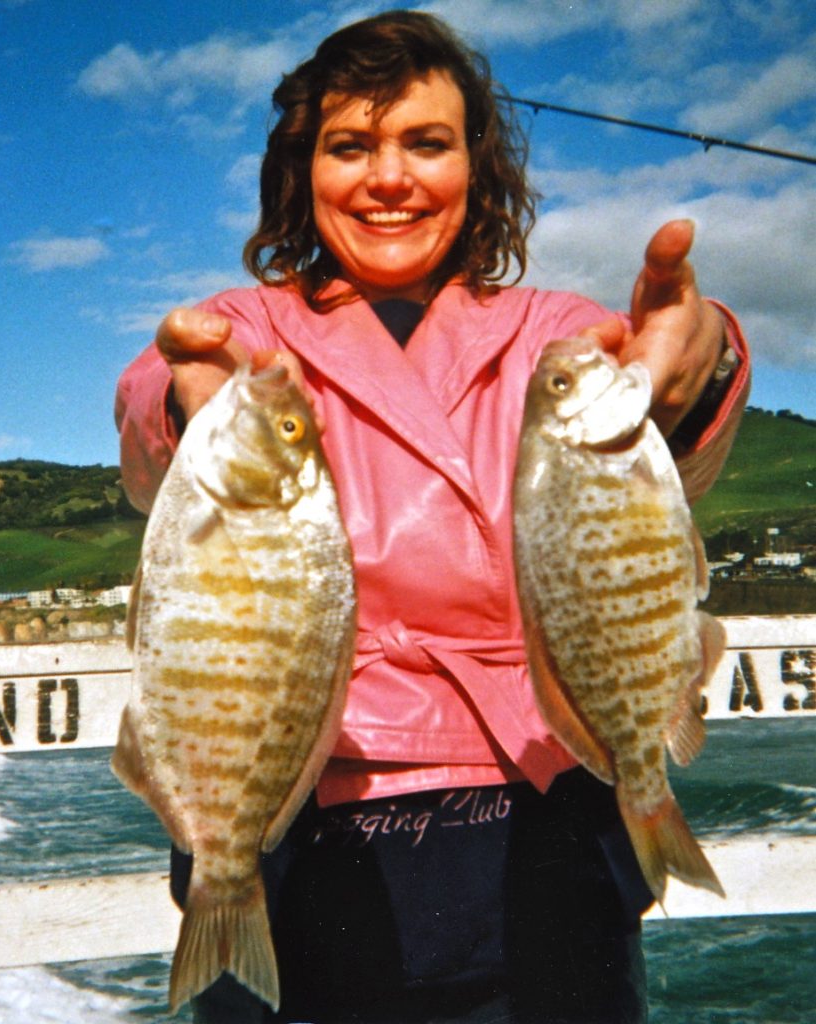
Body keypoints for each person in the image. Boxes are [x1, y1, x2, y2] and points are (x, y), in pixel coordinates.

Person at [116, 10, 750, 1024]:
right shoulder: (244, 329)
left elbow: (664, 413)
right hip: (294, 825)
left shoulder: (552, 333)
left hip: (543, 822)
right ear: (301, 168)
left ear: (475, 165)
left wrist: (705, 345)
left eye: (426, 142)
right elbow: (155, 410)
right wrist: (187, 400)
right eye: (349, 145)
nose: (388, 177)